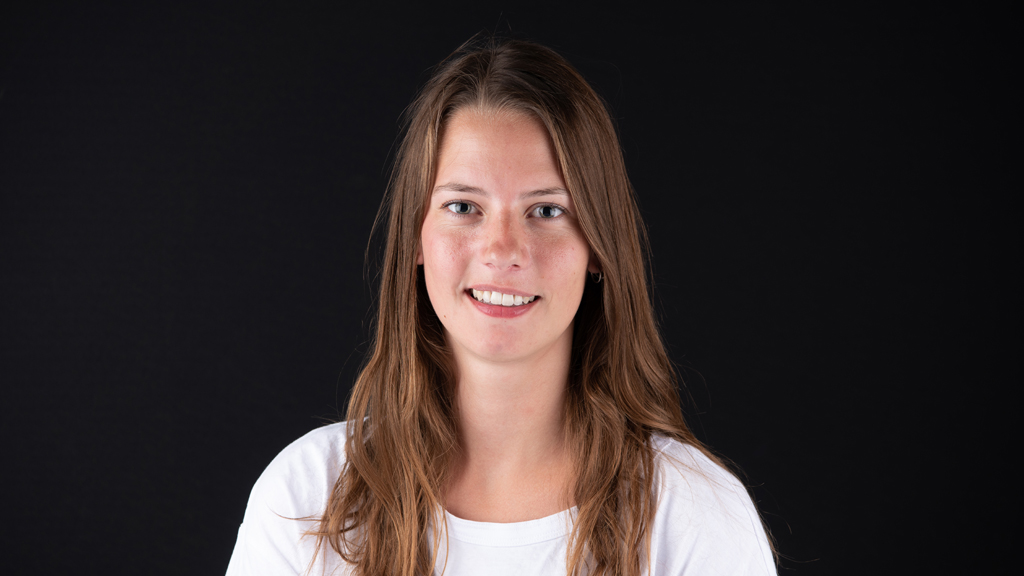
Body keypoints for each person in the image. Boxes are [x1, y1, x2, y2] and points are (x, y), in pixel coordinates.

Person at [226, 38, 777, 576]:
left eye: (547, 211)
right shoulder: (306, 499)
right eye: (463, 206)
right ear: (415, 237)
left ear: (597, 245)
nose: (502, 250)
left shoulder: (694, 515)